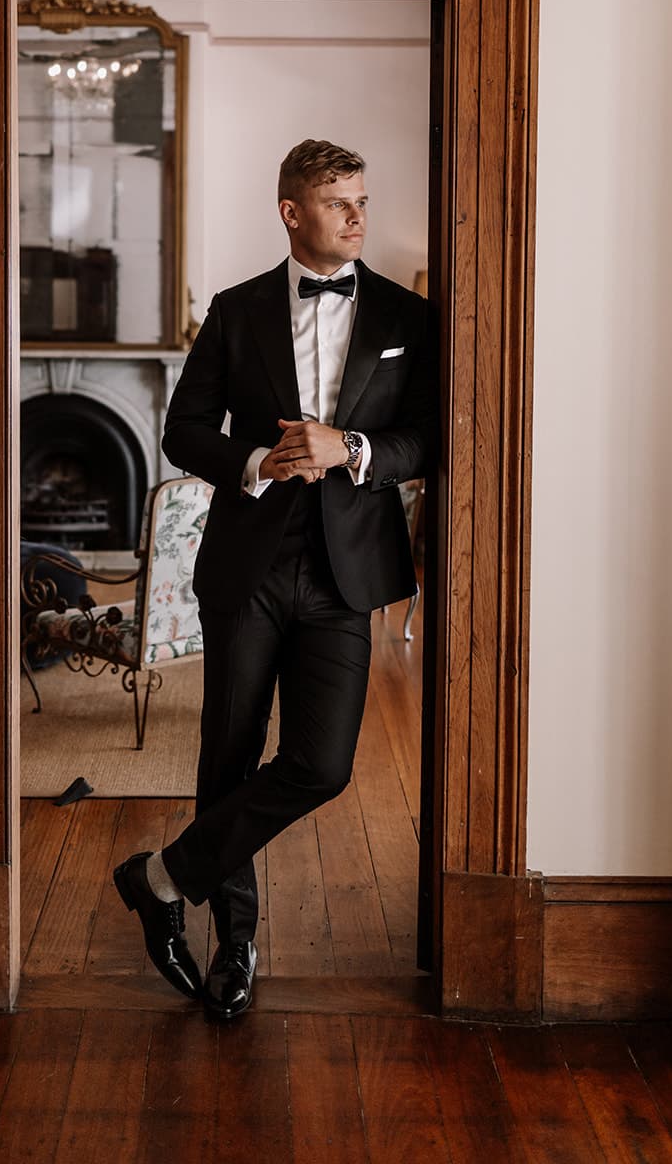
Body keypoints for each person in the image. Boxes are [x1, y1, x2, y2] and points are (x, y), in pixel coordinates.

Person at [113, 138, 439, 1019]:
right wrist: (258, 459)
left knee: (321, 764)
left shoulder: (409, 320)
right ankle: (237, 948)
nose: (360, 217)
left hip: (346, 572)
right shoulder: (235, 309)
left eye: (363, 200)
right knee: (226, 756)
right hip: (247, 563)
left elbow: (432, 437)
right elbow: (183, 429)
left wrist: (355, 449)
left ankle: (158, 879)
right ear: (294, 212)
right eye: (341, 204)